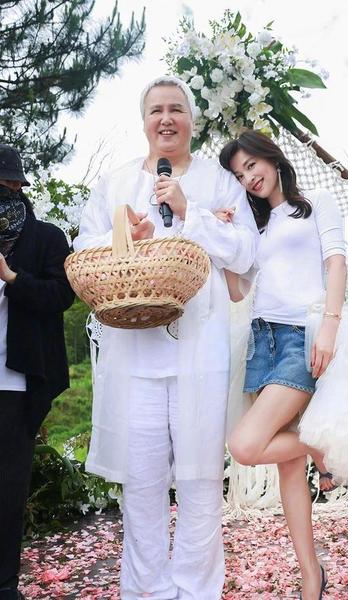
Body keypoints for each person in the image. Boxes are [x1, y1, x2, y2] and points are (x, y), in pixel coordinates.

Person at [73, 76, 258, 600]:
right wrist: (126, 235)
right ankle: (146, 590)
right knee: (143, 483)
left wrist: (188, 212)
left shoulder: (218, 183)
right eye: (156, 110)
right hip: (135, 356)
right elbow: (84, 246)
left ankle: (197, 589)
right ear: (144, 121)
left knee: (201, 481)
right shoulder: (114, 182)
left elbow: (246, 252)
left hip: (200, 352)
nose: (167, 119)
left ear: (192, 121)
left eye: (177, 109)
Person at [219, 130, 347, 600]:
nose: (249, 178)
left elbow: (337, 263)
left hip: (301, 336)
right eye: (239, 174)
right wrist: (226, 241)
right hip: (262, 342)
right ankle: (311, 576)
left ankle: (321, 445)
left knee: (245, 445)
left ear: (271, 158)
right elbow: (238, 291)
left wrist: (329, 327)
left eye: (251, 165)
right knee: (288, 467)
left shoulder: (314, 203)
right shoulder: (256, 228)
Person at [0, 144, 75, 600]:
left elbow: (61, 296)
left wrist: (12, 278)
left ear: (19, 187)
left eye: (8, 185)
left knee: (8, 487)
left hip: (17, 380)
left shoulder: (46, 238)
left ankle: (5, 583)